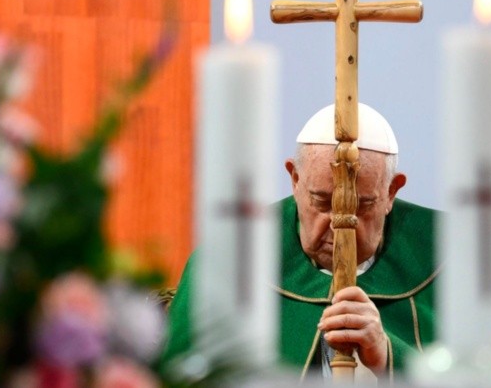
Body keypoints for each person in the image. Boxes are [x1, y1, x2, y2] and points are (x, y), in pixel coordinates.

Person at [161, 103, 439, 382]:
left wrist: (390, 355)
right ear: (295, 179)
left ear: (391, 192)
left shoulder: (448, 253)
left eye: (362, 205)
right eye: (321, 201)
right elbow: (180, 378)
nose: (338, 225)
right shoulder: (230, 258)